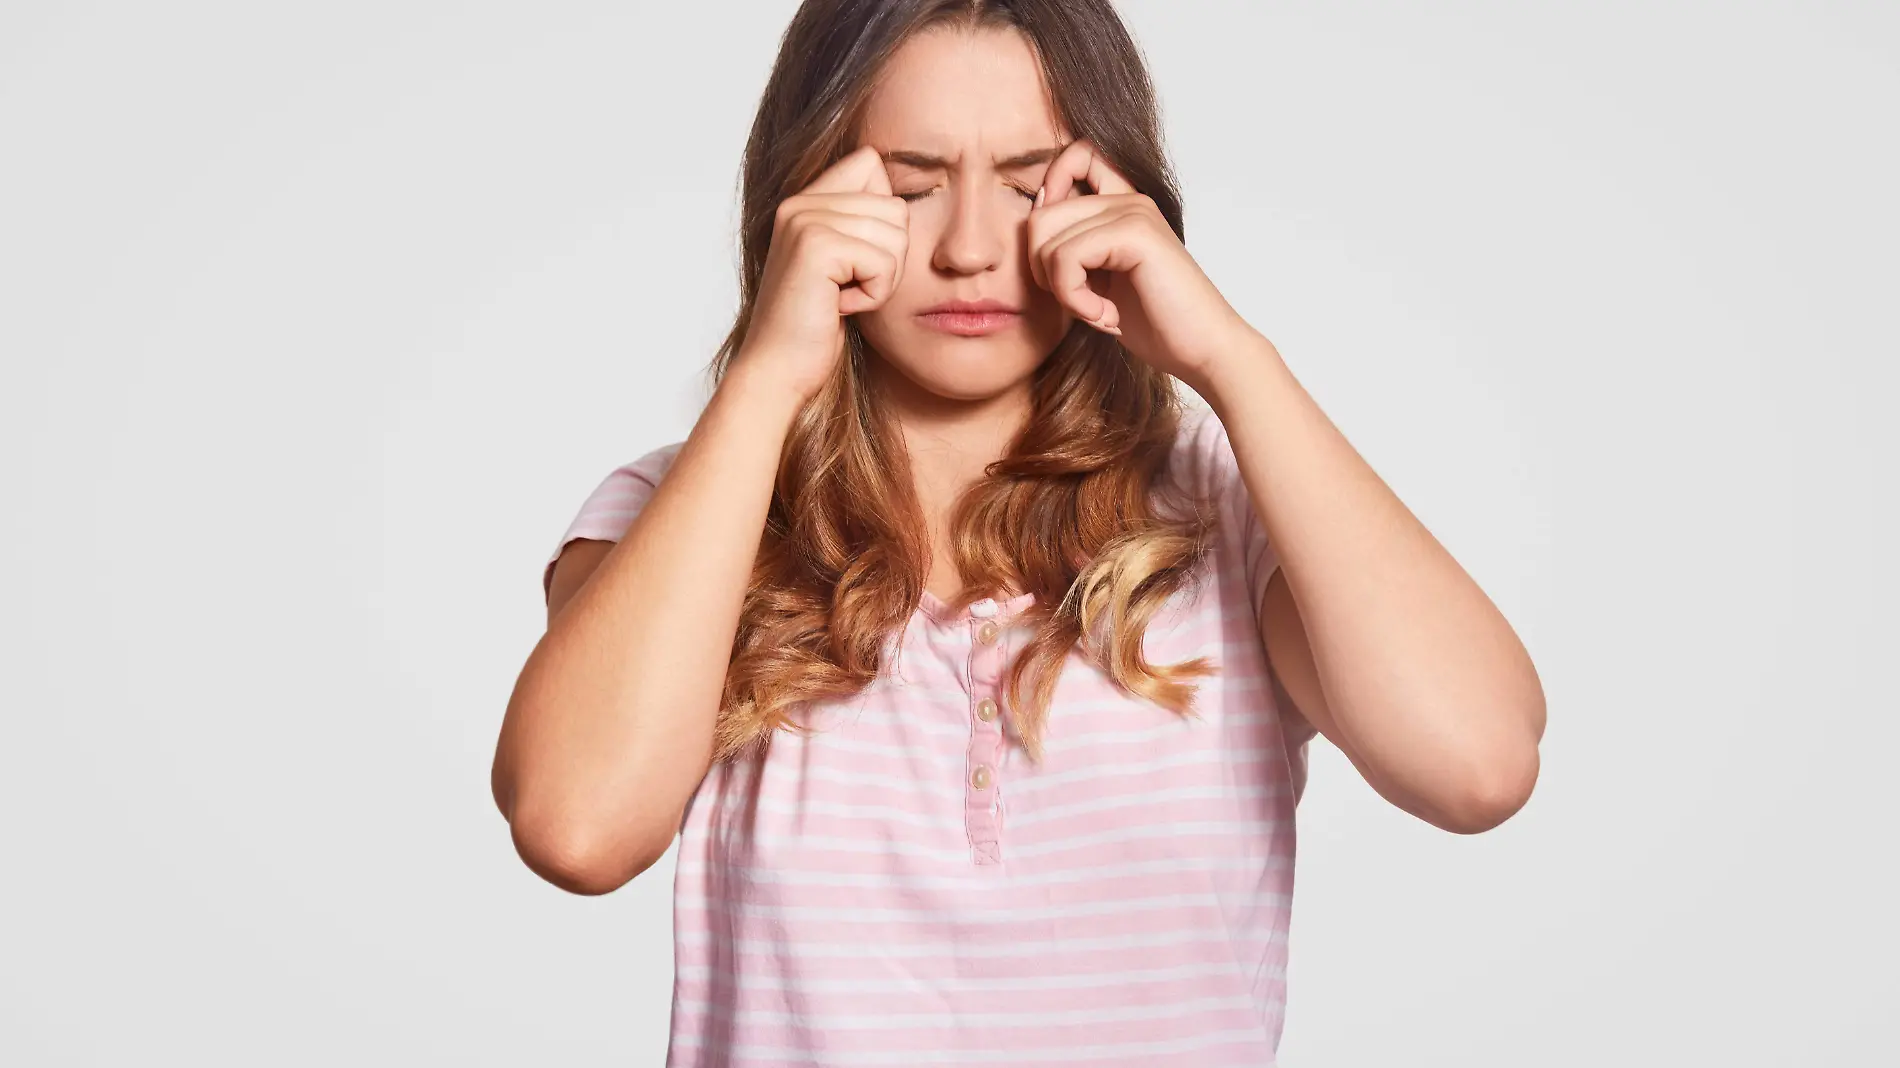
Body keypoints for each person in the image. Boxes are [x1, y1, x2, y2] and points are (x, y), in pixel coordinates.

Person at [492, 1, 1546, 1063]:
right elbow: (576, 829)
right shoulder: (682, 512)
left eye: (1027, 184)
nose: (964, 249)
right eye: (907, 186)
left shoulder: (1231, 509)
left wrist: (1230, 360)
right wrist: (766, 376)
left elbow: (1476, 765)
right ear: (805, 196)